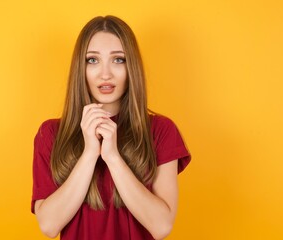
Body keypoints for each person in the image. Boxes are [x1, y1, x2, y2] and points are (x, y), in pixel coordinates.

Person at [31, 15, 191, 240]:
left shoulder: (161, 131)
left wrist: (113, 157)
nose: (105, 74)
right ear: (81, 68)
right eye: (92, 60)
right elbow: (48, 225)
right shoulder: (51, 134)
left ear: (131, 67)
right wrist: (89, 153)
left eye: (118, 60)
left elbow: (162, 226)